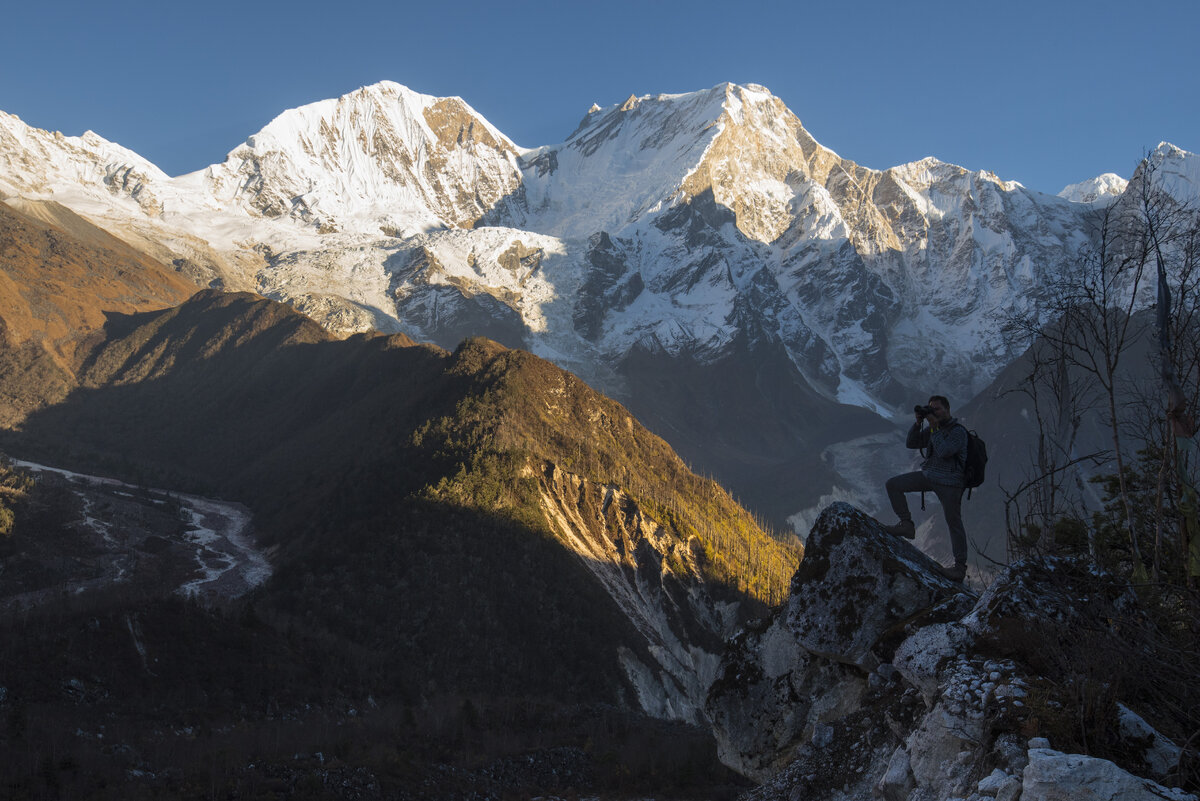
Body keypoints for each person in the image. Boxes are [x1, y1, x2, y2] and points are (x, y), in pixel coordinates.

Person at [882, 395, 969, 582]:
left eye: (937, 409)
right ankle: (906, 524)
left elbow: (945, 451)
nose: (934, 412)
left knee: (954, 522)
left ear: (947, 409)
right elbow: (911, 443)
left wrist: (934, 427)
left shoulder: (958, 432)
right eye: (931, 409)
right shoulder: (933, 429)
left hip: (950, 482)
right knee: (893, 484)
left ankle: (960, 568)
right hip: (929, 476)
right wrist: (918, 423)